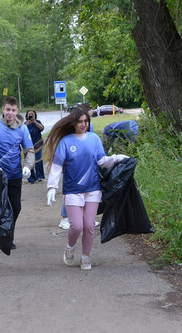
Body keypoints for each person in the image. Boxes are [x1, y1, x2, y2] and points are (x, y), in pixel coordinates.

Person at [45, 106, 127, 270]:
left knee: (89, 225)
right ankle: (70, 247)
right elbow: (56, 166)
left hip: (92, 189)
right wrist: (52, 187)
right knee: (76, 225)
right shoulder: (66, 142)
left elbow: (102, 161)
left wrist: (117, 159)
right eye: (80, 122)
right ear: (73, 123)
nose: (83, 125)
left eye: (86, 121)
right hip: (73, 190)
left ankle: (85, 257)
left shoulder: (94, 139)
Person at [0, 96, 34, 249]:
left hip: (15, 175)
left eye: (13, 110)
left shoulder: (22, 128)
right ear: (3, 110)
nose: (10, 113)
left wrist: (27, 167)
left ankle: (6, 237)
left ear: (17, 111)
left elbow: (29, 150)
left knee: (15, 207)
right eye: (8, 109)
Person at [58, 103, 98, 229]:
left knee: (86, 192)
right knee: (72, 191)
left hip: (86, 167)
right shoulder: (69, 135)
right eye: (90, 110)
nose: (92, 111)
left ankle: (86, 218)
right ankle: (64, 218)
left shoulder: (89, 126)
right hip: (73, 166)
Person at [25, 110, 45, 184]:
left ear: (35, 115)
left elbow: (41, 128)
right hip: (28, 145)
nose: (30, 115)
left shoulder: (38, 122)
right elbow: (22, 131)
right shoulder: (25, 124)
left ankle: (40, 176)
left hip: (38, 144)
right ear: (27, 116)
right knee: (29, 162)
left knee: (38, 160)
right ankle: (31, 179)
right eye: (29, 114)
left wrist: (34, 121)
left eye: (32, 114)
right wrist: (28, 123)